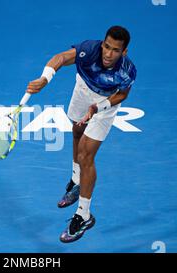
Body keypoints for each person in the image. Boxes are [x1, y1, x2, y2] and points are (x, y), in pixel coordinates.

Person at [25, 26, 137, 243]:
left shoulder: (127, 70)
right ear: (102, 43)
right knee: (76, 131)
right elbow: (61, 57)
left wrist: (100, 106)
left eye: (115, 50)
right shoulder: (89, 50)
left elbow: (122, 94)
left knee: (86, 156)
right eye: (106, 46)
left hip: (104, 105)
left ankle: (83, 215)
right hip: (82, 90)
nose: (108, 53)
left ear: (123, 52)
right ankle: (76, 180)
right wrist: (44, 79)